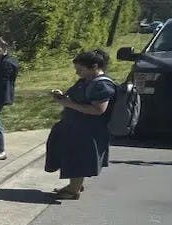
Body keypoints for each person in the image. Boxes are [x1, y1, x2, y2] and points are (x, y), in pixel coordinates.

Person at [44, 48, 117, 200]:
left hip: (87, 131)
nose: (77, 73)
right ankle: (74, 185)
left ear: (95, 67)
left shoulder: (102, 85)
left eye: (80, 69)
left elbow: (98, 110)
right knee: (72, 157)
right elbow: (77, 99)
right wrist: (62, 97)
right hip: (75, 127)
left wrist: (69, 104)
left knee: (77, 159)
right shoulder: (87, 80)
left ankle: (73, 190)